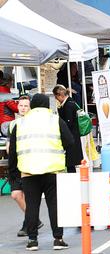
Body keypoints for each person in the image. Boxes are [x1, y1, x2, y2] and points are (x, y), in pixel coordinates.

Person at [8, 94, 75, 251]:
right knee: (54, 205)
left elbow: (12, 153)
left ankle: (32, 241)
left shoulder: (20, 123)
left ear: (32, 105)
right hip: (52, 170)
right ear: (47, 105)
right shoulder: (55, 120)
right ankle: (58, 239)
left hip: (28, 172)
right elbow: (70, 141)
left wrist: (13, 177)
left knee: (32, 206)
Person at [6, 96, 44, 237]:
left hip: (29, 163)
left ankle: (29, 223)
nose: (22, 108)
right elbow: (10, 142)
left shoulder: (34, 124)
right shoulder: (13, 124)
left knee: (27, 196)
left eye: (26, 106)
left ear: (31, 108)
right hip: (16, 165)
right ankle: (33, 221)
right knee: (17, 195)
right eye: (20, 105)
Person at [52, 85, 83, 172]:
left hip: (71, 135)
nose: (56, 99)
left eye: (56, 97)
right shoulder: (71, 102)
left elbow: (68, 122)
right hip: (73, 135)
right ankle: (71, 174)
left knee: (70, 161)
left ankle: (72, 177)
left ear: (59, 95)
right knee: (71, 161)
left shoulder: (68, 105)